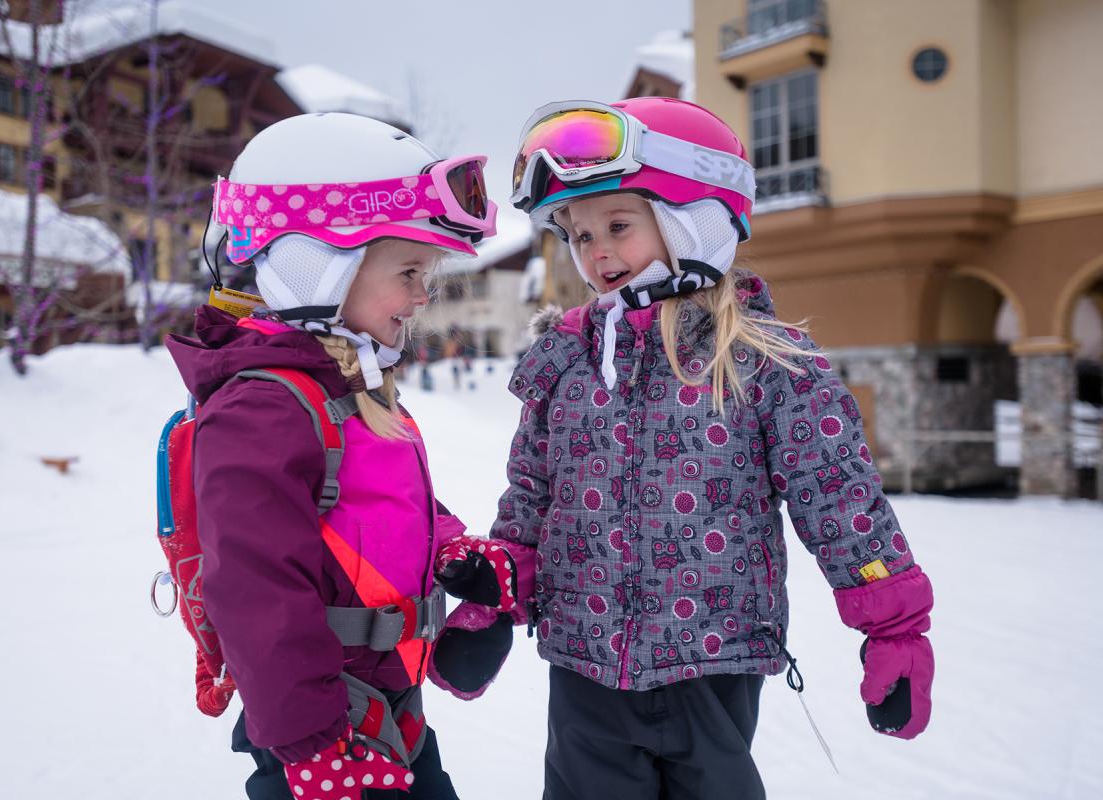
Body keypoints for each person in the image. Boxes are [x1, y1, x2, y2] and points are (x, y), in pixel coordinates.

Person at [430, 97, 936, 799]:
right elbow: (532, 499)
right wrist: (497, 599)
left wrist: (895, 631)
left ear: (693, 219)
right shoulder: (565, 362)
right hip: (583, 665)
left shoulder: (763, 362)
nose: (595, 251)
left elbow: (839, 498)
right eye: (578, 235)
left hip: (712, 662)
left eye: (618, 225)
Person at [165, 112, 498, 800]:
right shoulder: (263, 409)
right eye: (409, 270)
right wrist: (311, 745)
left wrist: (452, 553)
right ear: (316, 264)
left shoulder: (346, 388)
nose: (423, 294)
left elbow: (382, 507)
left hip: (387, 710)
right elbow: (256, 591)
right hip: (323, 736)